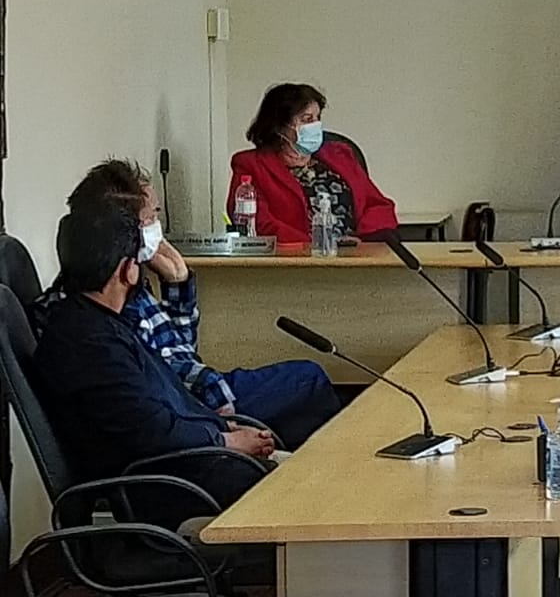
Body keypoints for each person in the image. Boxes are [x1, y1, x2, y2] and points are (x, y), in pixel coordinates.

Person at [35, 159, 341, 450]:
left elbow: (178, 358)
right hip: (186, 434)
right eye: (151, 218)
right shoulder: (97, 319)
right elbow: (158, 409)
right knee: (307, 380)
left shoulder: (118, 291)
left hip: (192, 418)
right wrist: (223, 437)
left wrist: (178, 283)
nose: (157, 228)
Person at [33, 204, 276, 509]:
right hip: (165, 487)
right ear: (128, 270)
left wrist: (222, 427)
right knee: (297, 491)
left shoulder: (99, 321)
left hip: (184, 466)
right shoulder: (90, 346)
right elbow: (153, 430)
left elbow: (166, 395)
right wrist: (227, 442)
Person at [227, 83, 398, 244]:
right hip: (295, 261)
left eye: (317, 118)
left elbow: (379, 205)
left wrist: (362, 240)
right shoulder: (250, 165)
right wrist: (315, 245)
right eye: (307, 119)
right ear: (279, 126)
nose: (315, 125)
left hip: (357, 255)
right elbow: (260, 224)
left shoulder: (341, 155)